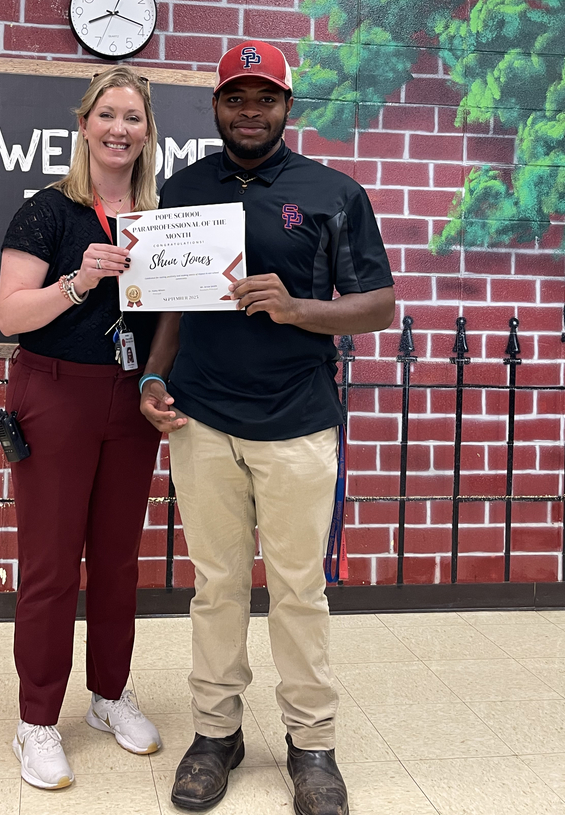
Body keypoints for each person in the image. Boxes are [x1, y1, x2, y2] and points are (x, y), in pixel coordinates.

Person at [140, 41, 395, 815]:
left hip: (298, 423)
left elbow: (379, 305)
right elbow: (173, 300)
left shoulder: (331, 192)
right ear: (215, 106)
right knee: (216, 587)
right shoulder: (183, 189)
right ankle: (217, 733)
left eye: (265, 99)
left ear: (288, 106)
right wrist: (154, 375)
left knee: (298, 591)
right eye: (235, 99)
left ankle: (311, 743)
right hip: (203, 420)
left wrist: (298, 310)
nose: (250, 112)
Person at [0, 66, 163, 791]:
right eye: (108, 114)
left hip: (131, 403)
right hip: (55, 394)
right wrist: (78, 281)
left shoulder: (163, 217)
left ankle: (107, 697)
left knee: (120, 563)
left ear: (148, 133)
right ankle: (36, 721)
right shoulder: (48, 211)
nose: (120, 128)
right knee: (52, 566)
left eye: (134, 117)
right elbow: (10, 316)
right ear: (85, 125)